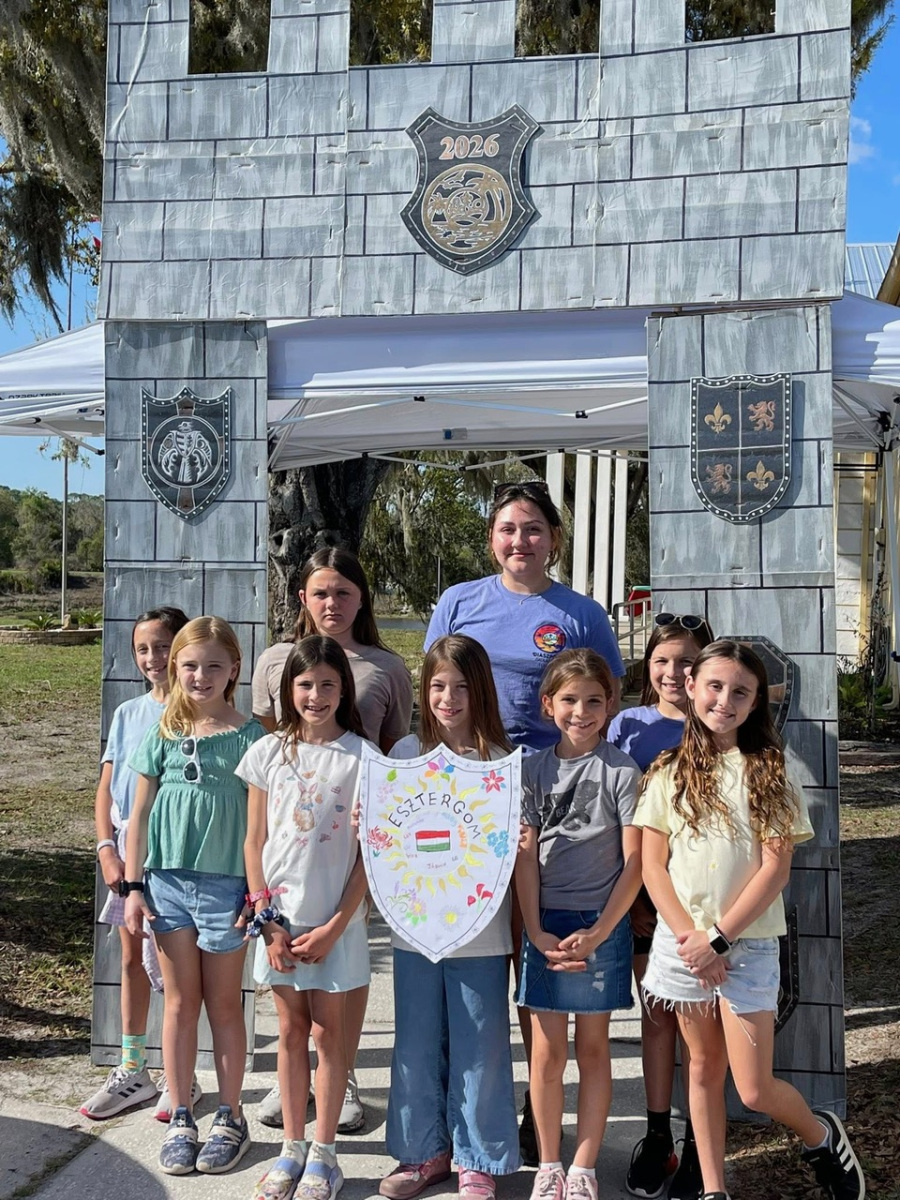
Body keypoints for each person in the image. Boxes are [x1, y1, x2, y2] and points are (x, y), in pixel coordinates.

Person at [425, 480, 627, 1159]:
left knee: (530, 948)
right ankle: (467, 1109)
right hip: (471, 792)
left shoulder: (580, 613)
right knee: (477, 953)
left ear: (554, 539)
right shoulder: (460, 601)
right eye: (508, 528)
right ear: (492, 538)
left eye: (534, 528)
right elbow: (438, 686)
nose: (521, 540)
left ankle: (528, 1110)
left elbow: (605, 698)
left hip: (549, 796)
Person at [634, 641, 865, 1200]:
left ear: (756, 701)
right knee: (702, 1069)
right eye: (714, 686)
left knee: (754, 1088)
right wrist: (692, 941)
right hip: (683, 948)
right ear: (691, 687)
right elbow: (652, 866)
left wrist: (718, 940)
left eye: (740, 692)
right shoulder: (666, 772)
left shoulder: (769, 771)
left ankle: (822, 1136)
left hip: (745, 948)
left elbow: (775, 869)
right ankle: (714, 1189)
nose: (725, 700)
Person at [253, 546, 413, 1132]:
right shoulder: (276, 659)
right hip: (291, 852)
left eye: (344, 592)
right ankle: (291, 1081)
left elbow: (394, 752)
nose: (332, 603)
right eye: (321, 592)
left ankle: (340, 1076)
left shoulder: (386, 667)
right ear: (303, 597)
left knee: (343, 971)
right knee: (293, 1006)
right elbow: (273, 746)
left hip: (348, 848)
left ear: (361, 599)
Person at [379, 635, 521, 1200]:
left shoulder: (501, 762)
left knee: (480, 1046)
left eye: (461, 686)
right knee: (414, 1044)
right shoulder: (404, 754)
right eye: (438, 685)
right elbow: (387, 838)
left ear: (481, 689)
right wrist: (373, 823)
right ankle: (422, 1152)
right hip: (414, 929)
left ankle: (477, 1157)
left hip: (480, 930)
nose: (448, 698)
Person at [124, 616, 265, 1176]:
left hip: (227, 888)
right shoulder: (161, 730)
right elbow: (138, 816)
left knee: (224, 1003)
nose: (200, 676)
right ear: (174, 668)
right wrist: (134, 887)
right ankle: (181, 1113)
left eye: (213, 665)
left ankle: (231, 1115)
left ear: (234, 670)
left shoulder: (252, 738)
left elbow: (261, 828)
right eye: (189, 665)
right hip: (165, 886)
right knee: (180, 1003)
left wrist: (255, 893)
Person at [240, 636, 374, 1200]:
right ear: (287, 689)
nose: (315, 695)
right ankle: (291, 1149)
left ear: (344, 689)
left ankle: (324, 1153)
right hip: (280, 924)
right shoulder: (268, 753)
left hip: (334, 925)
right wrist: (266, 921)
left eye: (327, 684)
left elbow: (369, 855)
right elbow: (254, 842)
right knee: (291, 1032)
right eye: (304, 684)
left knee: (328, 1034)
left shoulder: (365, 757)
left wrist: (336, 926)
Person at [515, 648, 643, 1200]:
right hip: (545, 924)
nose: (581, 711)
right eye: (569, 699)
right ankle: (549, 1162)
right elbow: (524, 858)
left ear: (610, 704)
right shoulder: (530, 770)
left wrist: (600, 932)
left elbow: (636, 864)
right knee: (546, 1054)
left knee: (593, 1049)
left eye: (594, 700)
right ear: (549, 704)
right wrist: (534, 928)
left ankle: (584, 1166)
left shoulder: (622, 771)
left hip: (600, 924)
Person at [608, 614, 715, 1200]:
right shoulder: (627, 726)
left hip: (709, 906)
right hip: (647, 901)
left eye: (687, 662)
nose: (674, 673)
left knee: (703, 1033)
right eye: (662, 661)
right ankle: (657, 1136)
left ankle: (701, 1142)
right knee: (657, 1018)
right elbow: (615, 820)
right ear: (646, 667)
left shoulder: (721, 723)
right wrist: (630, 901)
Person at [81, 605, 195, 1122]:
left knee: (175, 968)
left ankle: (180, 1072)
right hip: (128, 855)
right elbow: (107, 788)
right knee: (131, 960)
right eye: (143, 649)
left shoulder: (197, 713)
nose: (153, 658)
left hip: (174, 856)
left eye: (163, 647)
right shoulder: (127, 713)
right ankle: (133, 1067)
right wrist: (106, 848)